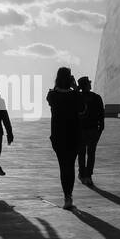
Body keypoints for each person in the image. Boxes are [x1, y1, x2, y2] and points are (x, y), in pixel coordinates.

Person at [46, 67, 83, 209]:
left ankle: (66, 196)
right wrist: (76, 88)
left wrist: (59, 86)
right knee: (71, 166)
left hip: (58, 136)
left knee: (63, 167)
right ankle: (69, 196)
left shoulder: (52, 95)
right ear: (70, 79)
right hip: (74, 135)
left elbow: (52, 98)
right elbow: (81, 108)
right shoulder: (75, 95)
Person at [76, 76, 105, 185]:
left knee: (82, 153)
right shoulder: (96, 97)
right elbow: (101, 115)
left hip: (82, 130)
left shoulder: (78, 97)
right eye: (88, 82)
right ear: (86, 85)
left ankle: (83, 174)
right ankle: (87, 175)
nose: (90, 84)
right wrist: (101, 128)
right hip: (91, 129)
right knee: (90, 153)